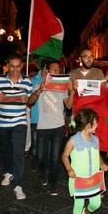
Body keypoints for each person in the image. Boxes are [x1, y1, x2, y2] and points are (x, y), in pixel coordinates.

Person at [28, 59, 75, 195]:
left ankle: (53, 183)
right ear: (47, 71)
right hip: (42, 126)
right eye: (53, 69)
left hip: (58, 126)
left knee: (54, 157)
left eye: (58, 69)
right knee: (40, 156)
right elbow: (30, 102)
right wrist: (39, 91)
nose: (56, 71)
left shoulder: (63, 87)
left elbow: (69, 106)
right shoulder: (39, 84)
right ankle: (43, 172)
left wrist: (71, 92)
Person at [0, 53, 32, 200]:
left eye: (18, 66)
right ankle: (8, 172)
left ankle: (19, 185)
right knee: (6, 151)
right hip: (2, 122)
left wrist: (27, 99)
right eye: (12, 66)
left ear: (22, 66)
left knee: (19, 153)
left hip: (19, 121)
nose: (15, 69)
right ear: (8, 65)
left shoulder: (27, 82)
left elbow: (31, 100)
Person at [62, 108, 108, 214]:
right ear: (88, 125)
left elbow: (97, 155)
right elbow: (65, 156)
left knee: (96, 204)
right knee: (78, 204)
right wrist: (69, 168)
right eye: (95, 122)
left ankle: (86, 212)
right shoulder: (73, 141)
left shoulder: (95, 139)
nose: (97, 124)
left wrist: (102, 163)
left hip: (93, 179)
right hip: (78, 179)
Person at [29, 58, 52, 172]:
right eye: (51, 68)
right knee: (35, 145)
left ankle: (45, 166)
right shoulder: (33, 80)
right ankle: (33, 158)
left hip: (49, 120)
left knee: (47, 145)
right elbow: (29, 99)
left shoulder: (54, 81)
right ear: (45, 69)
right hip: (36, 118)